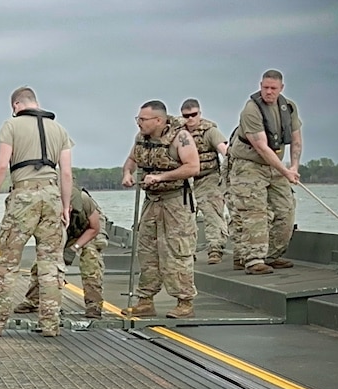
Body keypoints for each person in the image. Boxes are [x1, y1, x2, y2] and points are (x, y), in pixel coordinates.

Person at [0, 86, 72, 338]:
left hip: (23, 196)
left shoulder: (11, 125)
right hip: (52, 196)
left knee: (7, 263)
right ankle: (50, 324)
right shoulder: (59, 129)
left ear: (16, 105)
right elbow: (66, 172)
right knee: (50, 265)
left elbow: (1, 166)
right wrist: (65, 205)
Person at [122, 100, 201, 318]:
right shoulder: (141, 138)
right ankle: (145, 300)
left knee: (177, 250)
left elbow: (193, 167)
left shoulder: (181, 137)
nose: (139, 123)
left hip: (175, 201)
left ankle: (184, 302)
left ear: (158, 120)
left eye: (143, 119)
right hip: (151, 201)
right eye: (138, 119)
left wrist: (161, 177)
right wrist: (128, 173)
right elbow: (131, 159)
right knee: (146, 249)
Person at [227, 69, 303, 275]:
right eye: (265, 87)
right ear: (260, 85)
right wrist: (285, 172)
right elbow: (261, 146)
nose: (269, 92)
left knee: (286, 210)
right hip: (248, 165)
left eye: (273, 88)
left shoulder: (290, 108)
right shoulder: (251, 110)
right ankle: (252, 259)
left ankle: (271, 255)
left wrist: (294, 166)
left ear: (281, 88)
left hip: (275, 165)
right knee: (255, 212)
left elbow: (296, 140)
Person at [14, 187, 106, 319]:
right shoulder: (44, 206)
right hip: (61, 229)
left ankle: (94, 304)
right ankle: (33, 300)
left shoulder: (83, 200)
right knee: (42, 262)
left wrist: (73, 248)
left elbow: (94, 228)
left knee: (91, 260)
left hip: (88, 229)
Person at [180, 99, 229, 264]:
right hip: (186, 180)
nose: (190, 119)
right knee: (185, 216)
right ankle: (187, 252)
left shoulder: (209, 131)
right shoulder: (178, 133)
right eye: (186, 116)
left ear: (199, 114)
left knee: (212, 214)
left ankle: (215, 249)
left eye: (194, 115)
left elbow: (223, 150)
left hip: (209, 177)